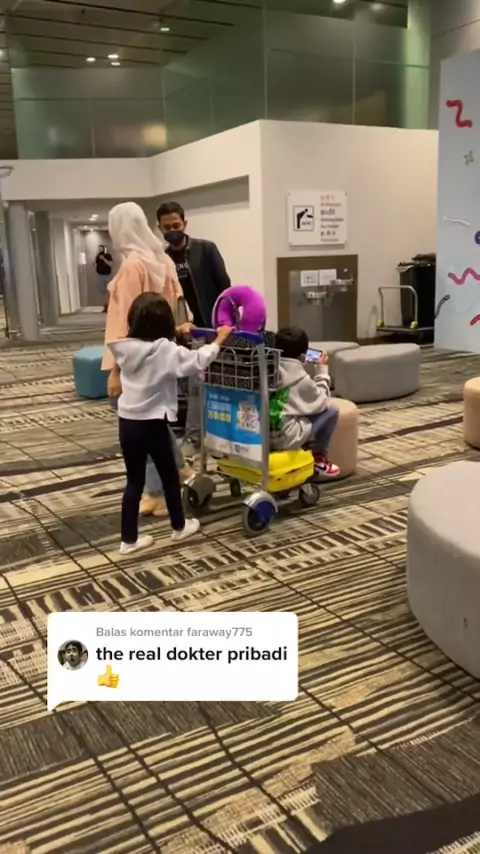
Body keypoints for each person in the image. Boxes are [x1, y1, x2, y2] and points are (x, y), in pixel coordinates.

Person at [108, 292, 232, 554]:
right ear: (164, 323)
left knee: (134, 482)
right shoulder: (165, 351)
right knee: (169, 476)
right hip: (152, 424)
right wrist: (219, 339)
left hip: (127, 422)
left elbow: (152, 346)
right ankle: (179, 527)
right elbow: (197, 360)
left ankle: (128, 541)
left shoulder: (127, 347)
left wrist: (177, 332)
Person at [102, 201, 189, 519]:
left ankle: (159, 493)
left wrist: (115, 370)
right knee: (155, 421)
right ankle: (177, 472)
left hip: (134, 360)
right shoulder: (162, 259)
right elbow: (180, 306)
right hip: (162, 353)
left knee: (139, 426)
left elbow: (123, 324)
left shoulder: (132, 267)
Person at [157, 201, 231, 460]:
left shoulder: (205, 249)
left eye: (176, 225)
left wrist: (224, 324)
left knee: (199, 384)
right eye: (167, 227)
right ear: (159, 228)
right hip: (180, 330)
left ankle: (193, 438)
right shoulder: (162, 259)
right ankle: (195, 432)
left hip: (209, 327)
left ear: (185, 223)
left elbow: (225, 287)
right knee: (188, 384)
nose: (172, 231)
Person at [270, 327, 340, 480]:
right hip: (285, 438)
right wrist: (322, 371)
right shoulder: (301, 380)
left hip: (263, 433)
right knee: (332, 411)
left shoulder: (266, 369)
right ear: (303, 355)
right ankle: (319, 459)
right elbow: (322, 401)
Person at [95, 244, 113, 312]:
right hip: (100, 275)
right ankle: (104, 306)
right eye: (99, 249)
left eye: (101, 249)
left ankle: (109, 306)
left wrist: (104, 259)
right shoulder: (98, 255)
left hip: (107, 275)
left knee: (108, 291)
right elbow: (96, 263)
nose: (100, 250)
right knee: (102, 292)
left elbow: (111, 264)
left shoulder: (108, 255)